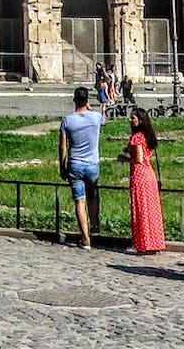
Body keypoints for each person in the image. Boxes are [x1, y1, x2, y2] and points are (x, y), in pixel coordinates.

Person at [57, 86, 106, 250]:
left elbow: (63, 147)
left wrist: (62, 166)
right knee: (92, 196)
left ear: (74, 100)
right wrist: (90, 108)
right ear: (88, 100)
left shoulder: (67, 121)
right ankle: (94, 228)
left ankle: (85, 239)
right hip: (92, 165)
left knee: (80, 201)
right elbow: (104, 121)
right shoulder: (96, 117)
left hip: (75, 164)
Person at [119, 107, 165, 254]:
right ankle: (154, 242)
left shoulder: (137, 137)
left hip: (139, 175)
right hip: (150, 174)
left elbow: (138, 159)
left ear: (139, 121)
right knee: (151, 210)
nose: (130, 120)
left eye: (133, 118)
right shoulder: (148, 136)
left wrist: (123, 158)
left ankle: (141, 243)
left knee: (139, 210)